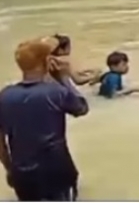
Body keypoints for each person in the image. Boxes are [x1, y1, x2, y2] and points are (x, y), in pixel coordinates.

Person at [0, 39, 89, 201]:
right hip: (57, 171)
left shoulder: (4, 95)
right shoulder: (56, 92)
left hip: (22, 173)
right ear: (48, 61)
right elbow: (81, 108)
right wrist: (63, 77)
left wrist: (10, 169)